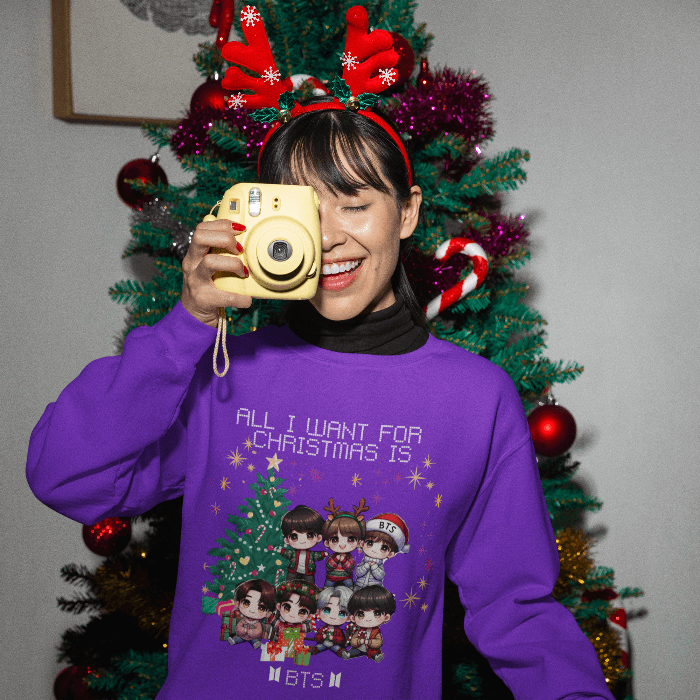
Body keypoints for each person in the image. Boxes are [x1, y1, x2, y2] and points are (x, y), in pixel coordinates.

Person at [27, 101, 616, 699]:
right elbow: (65, 476)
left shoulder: (475, 398)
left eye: (356, 205)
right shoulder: (219, 372)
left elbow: (516, 605)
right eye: (305, 212)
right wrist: (186, 326)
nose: (330, 237)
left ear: (408, 211)